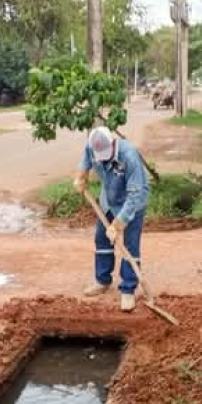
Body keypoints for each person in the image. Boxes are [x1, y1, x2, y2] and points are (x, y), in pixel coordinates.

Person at [74, 127, 150, 312]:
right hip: (108, 200)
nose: (103, 157)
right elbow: (85, 162)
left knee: (130, 247)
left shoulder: (129, 156)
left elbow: (134, 195)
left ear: (113, 143)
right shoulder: (93, 146)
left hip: (131, 203)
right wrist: (80, 177)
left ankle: (128, 289)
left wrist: (118, 224)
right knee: (102, 239)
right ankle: (102, 280)